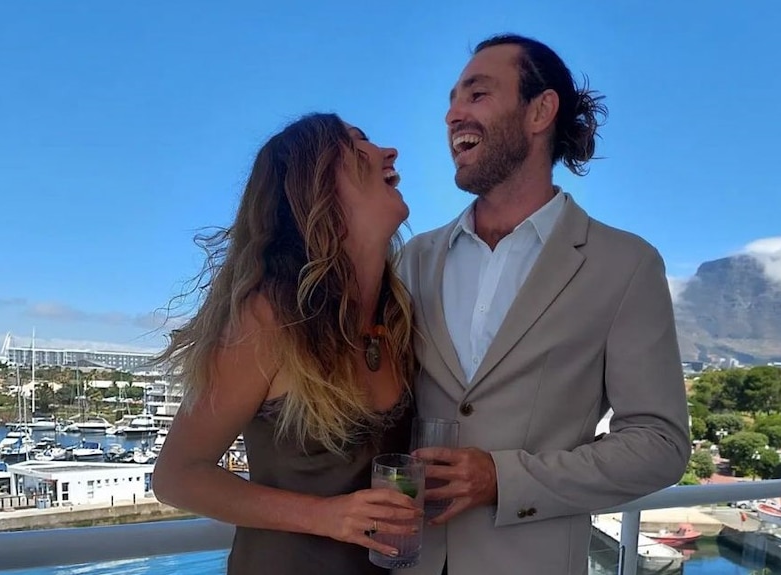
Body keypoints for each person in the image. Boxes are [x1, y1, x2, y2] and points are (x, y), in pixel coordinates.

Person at [397, 34, 691, 575]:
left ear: (541, 110)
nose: (452, 114)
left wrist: (504, 480)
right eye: (452, 99)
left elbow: (660, 443)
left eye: (477, 95)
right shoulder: (413, 259)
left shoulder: (624, 265)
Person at [152, 112, 422, 575]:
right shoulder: (268, 320)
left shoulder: (397, 320)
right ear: (317, 190)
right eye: (358, 147)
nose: (388, 152)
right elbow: (176, 476)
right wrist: (325, 516)